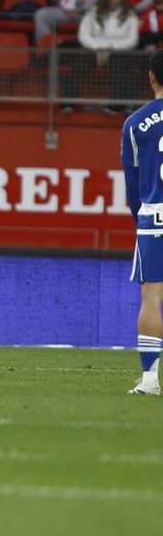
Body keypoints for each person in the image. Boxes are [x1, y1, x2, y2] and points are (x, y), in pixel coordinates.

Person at [120, 50, 163, 394]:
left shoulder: (135, 123)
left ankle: (150, 380)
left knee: (151, 297)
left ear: (151, 77)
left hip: (154, 218)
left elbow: (132, 185)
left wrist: (140, 217)